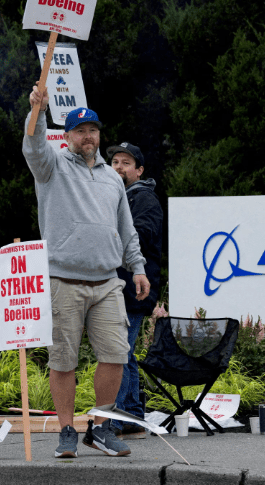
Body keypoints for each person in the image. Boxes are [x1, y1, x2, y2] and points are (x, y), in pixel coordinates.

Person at [22, 87, 150, 458]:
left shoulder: (113, 178)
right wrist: (39, 110)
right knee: (63, 360)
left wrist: (137, 268)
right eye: (80, 131)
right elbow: (33, 145)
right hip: (63, 280)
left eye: (92, 130)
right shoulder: (51, 166)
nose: (87, 136)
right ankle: (66, 431)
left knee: (115, 355)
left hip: (108, 281)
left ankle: (101, 427)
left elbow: (126, 229)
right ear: (67, 137)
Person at [106, 142, 163, 438]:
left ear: (139, 171)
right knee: (123, 352)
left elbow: (138, 236)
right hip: (120, 288)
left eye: (125, 162)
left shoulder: (144, 199)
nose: (118, 167)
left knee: (119, 352)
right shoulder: (116, 198)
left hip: (133, 290)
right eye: (114, 161)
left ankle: (121, 417)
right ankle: (130, 415)